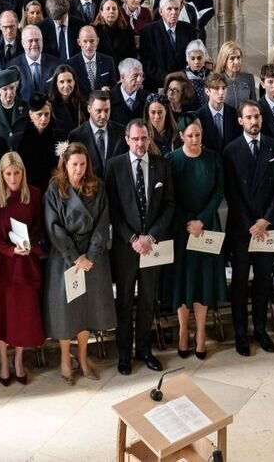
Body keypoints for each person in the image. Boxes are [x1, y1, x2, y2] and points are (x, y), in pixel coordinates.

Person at [105, 120, 175, 375]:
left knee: (147, 299)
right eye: (135, 139)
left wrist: (151, 236)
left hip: (152, 246)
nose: (140, 144)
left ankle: (144, 350)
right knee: (124, 301)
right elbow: (111, 208)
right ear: (127, 139)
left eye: (144, 138)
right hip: (127, 247)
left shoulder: (161, 165)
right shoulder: (114, 166)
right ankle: (124, 353)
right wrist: (133, 238)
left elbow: (169, 205)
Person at [44, 142, 115, 384]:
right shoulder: (55, 188)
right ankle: (65, 358)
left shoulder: (97, 186)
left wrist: (91, 255)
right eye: (74, 164)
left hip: (92, 259)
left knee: (87, 309)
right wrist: (76, 256)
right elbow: (53, 227)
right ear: (65, 164)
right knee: (66, 310)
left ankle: (83, 357)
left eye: (83, 164)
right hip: (66, 257)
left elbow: (103, 223)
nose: (79, 170)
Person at [0, 152, 46, 385]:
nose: (13, 178)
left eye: (17, 173)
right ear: (1, 174)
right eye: (8, 174)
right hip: (3, 264)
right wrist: (9, 249)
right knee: (1, 314)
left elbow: (39, 228)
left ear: (23, 173)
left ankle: (19, 359)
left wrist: (30, 245)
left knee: (22, 315)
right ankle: (4, 360)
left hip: (26, 262)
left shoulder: (34, 195)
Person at [222, 99, 274, 356]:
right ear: (240, 121)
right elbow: (231, 191)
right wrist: (251, 223)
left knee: (263, 281)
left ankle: (260, 329)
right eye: (249, 117)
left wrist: (265, 220)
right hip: (242, 228)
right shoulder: (231, 150)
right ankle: (240, 333)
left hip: (267, 226)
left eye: (257, 116)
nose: (254, 121)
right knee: (239, 283)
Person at [162, 115, 225, 359]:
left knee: (203, 281)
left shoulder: (213, 158)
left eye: (198, 135)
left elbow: (219, 192)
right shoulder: (172, 160)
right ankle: (182, 333)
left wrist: (202, 219)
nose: (195, 139)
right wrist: (188, 221)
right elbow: (169, 197)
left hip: (207, 226)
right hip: (181, 229)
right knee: (183, 281)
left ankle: (200, 333)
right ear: (181, 137)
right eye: (190, 136)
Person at [141, 0, 195, 91]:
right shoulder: (148, 31)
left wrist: (180, 79)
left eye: (176, 9)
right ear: (161, 11)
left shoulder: (188, 29)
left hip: (183, 83)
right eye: (169, 9)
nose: (173, 12)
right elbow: (147, 65)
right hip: (158, 84)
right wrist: (169, 79)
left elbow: (192, 59)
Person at [16, 93, 60, 187]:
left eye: (47, 114)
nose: (43, 119)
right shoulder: (20, 139)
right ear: (31, 115)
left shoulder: (59, 136)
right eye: (39, 114)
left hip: (53, 186)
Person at [0, 67, 28, 150]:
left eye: (12, 87)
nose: (9, 92)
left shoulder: (26, 107)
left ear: (16, 87)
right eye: (5, 89)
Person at [214, 40, 255, 110]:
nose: (236, 62)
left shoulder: (248, 78)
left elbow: (253, 104)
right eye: (232, 58)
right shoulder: (215, 80)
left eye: (238, 57)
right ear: (224, 60)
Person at [48, 64, 87, 135]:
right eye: (61, 82)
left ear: (74, 82)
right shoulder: (49, 105)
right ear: (56, 84)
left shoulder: (82, 103)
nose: (66, 86)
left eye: (69, 81)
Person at [109, 58, 148, 126]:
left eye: (141, 75)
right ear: (123, 77)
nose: (139, 80)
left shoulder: (148, 98)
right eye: (135, 76)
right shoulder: (109, 98)